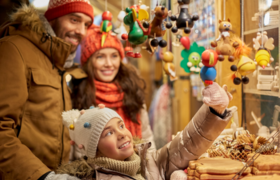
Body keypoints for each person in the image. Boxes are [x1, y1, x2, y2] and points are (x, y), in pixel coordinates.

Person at [57, 82, 234, 180]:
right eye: (108, 133)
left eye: (120, 125)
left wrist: (213, 111)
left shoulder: (145, 161)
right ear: (94, 150)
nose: (121, 134)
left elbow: (183, 147)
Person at [0, 0, 94, 180]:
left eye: (87, 24)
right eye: (74, 20)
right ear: (53, 18)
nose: (82, 31)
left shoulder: (60, 63)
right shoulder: (13, 48)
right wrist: (44, 176)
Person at [71, 26, 156, 149]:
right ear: (89, 62)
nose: (109, 64)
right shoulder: (78, 94)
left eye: (114, 56)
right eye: (100, 56)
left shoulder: (132, 89)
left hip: (137, 164)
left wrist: (151, 166)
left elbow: (147, 138)